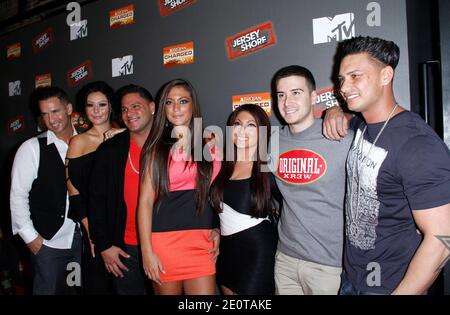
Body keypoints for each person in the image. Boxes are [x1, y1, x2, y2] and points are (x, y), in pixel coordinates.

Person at [323, 36, 450, 294]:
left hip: (390, 285)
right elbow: (349, 114)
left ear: (385, 76)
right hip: (352, 278)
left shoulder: (417, 144)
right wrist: (335, 110)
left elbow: (443, 239)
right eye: (341, 79)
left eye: (355, 76)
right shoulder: (364, 124)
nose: (344, 87)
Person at [269, 65, 353, 295]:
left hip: (328, 265)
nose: (287, 102)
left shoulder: (342, 136)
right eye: (281, 95)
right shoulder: (272, 141)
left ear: (314, 97)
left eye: (296, 92)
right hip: (285, 259)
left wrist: (337, 110)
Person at [138, 78, 221, 295]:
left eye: (183, 101)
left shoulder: (210, 141)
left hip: (202, 243)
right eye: (169, 102)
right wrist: (146, 251)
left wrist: (217, 227)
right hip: (164, 244)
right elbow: (145, 202)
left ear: (194, 105)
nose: (175, 108)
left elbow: (218, 192)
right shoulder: (155, 148)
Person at [10, 86, 81, 294]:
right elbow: (18, 196)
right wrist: (31, 238)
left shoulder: (87, 141)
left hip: (81, 241)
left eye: (56, 111)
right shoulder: (31, 148)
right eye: (45, 114)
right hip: (48, 243)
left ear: (68, 109)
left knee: (75, 291)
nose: (51, 119)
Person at [88, 84, 155, 295]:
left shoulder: (172, 143)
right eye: (125, 109)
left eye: (136, 106)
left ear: (152, 107)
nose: (129, 113)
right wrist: (105, 245)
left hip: (164, 243)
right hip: (124, 248)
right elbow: (96, 201)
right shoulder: (110, 150)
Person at [210, 104, 281, 295]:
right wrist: (216, 228)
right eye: (237, 124)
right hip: (226, 252)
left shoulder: (268, 168)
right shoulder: (222, 166)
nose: (241, 130)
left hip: (257, 252)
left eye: (251, 125)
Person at [66, 81, 124, 294]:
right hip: (95, 226)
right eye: (91, 105)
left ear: (111, 106)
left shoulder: (126, 136)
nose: (97, 111)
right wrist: (93, 235)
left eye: (102, 104)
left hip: (125, 225)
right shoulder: (78, 142)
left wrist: (121, 134)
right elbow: (75, 193)